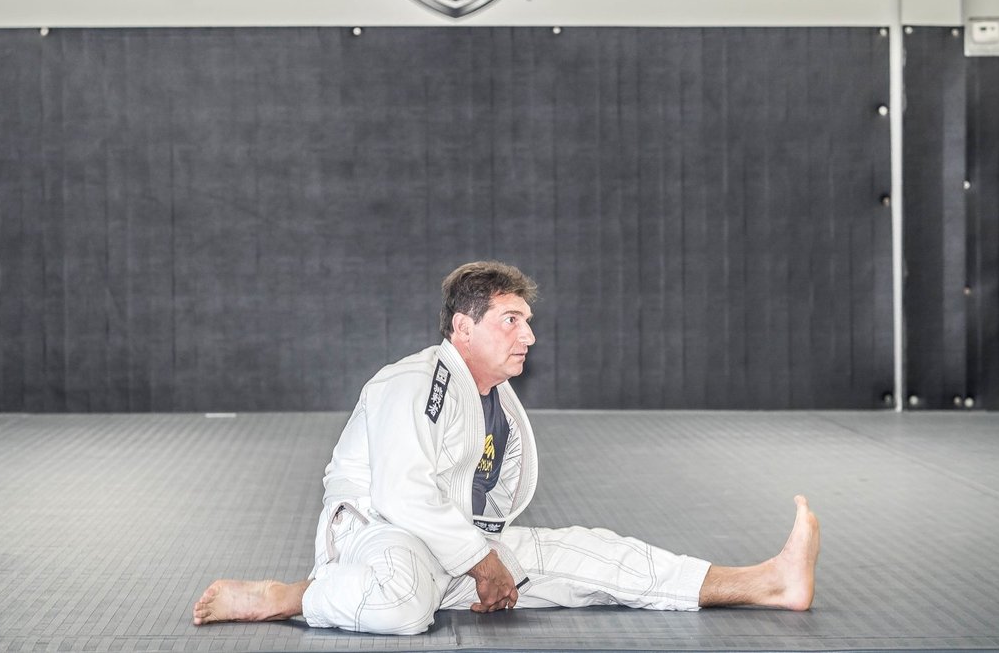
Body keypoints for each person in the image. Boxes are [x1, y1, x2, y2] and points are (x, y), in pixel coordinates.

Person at [193, 261, 820, 635]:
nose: (529, 336)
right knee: (402, 608)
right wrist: (482, 562)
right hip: (376, 535)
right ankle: (290, 596)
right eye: (510, 321)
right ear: (463, 328)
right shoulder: (414, 382)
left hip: (451, 550)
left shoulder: (498, 403)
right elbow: (402, 494)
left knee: (599, 556)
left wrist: (485, 558)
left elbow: (482, 512)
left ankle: (766, 582)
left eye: (528, 321)